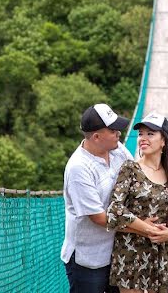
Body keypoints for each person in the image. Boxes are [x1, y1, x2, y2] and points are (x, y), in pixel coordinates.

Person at [106, 113, 168, 293]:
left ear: (164, 141)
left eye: (150, 134)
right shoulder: (130, 168)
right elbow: (115, 209)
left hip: (161, 255)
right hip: (130, 254)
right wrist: (150, 230)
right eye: (141, 134)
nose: (143, 138)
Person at [61, 103, 134, 293]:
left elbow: (137, 181)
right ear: (96, 137)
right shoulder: (79, 168)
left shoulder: (118, 150)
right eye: (113, 130)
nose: (119, 133)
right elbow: (99, 218)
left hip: (117, 253)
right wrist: (145, 229)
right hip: (88, 261)